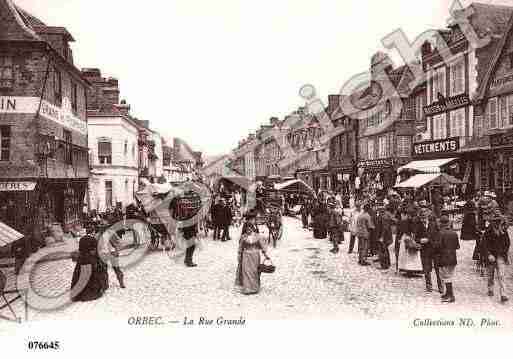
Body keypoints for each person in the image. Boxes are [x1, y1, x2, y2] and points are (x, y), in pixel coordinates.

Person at [235, 211, 271, 295]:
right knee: (246, 271)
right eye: (254, 218)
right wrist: (239, 255)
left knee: (254, 271)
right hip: (246, 255)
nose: (249, 229)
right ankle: (247, 288)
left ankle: (254, 287)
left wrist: (265, 254)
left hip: (255, 256)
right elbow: (240, 246)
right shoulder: (244, 236)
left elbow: (262, 245)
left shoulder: (257, 235)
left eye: (250, 228)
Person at [70, 224, 109, 302]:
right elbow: (95, 250)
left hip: (83, 260)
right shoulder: (93, 239)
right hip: (90, 260)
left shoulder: (82, 239)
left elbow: (80, 250)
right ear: (93, 232)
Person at [481, 211, 510, 303]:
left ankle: (503, 294)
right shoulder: (488, 232)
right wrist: (489, 254)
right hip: (491, 257)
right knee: (490, 275)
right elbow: (484, 245)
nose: (497, 223)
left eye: (498, 221)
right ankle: (490, 288)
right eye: (495, 221)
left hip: (501, 257)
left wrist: (504, 253)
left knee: (502, 275)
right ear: (492, 222)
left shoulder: (504, 232)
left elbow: (507, 243)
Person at [413, 203, 442, 293]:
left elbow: (439, 236)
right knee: (426, 268)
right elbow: (416, 238)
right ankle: (429, 286)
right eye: (422, 216)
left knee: (438, 269)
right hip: (425, 250)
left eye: (425, 214)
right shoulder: (418, 225)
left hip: (435, 249)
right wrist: (420, 240)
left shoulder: (434, 224)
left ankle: (440, 286)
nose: (423, 218)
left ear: (428, 215)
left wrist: (433, 241)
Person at [436, 215, 460, 303]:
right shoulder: (454, 233)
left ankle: (451, 295)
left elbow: (438, 246)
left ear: (441, 224)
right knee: (449, 276)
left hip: (443, 257)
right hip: (453, 257)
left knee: (446, 277)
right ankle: (447, 293)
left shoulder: (440, 233)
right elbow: (457, 246)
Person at [375, 204, 395, 270]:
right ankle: (387, 264)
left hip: (384, 237)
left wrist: (382, 237)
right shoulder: (386, 215)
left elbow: (384, 228)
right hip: (386, 236)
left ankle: (384, 265)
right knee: (385, 250)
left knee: (382, 251)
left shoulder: (383, 217)